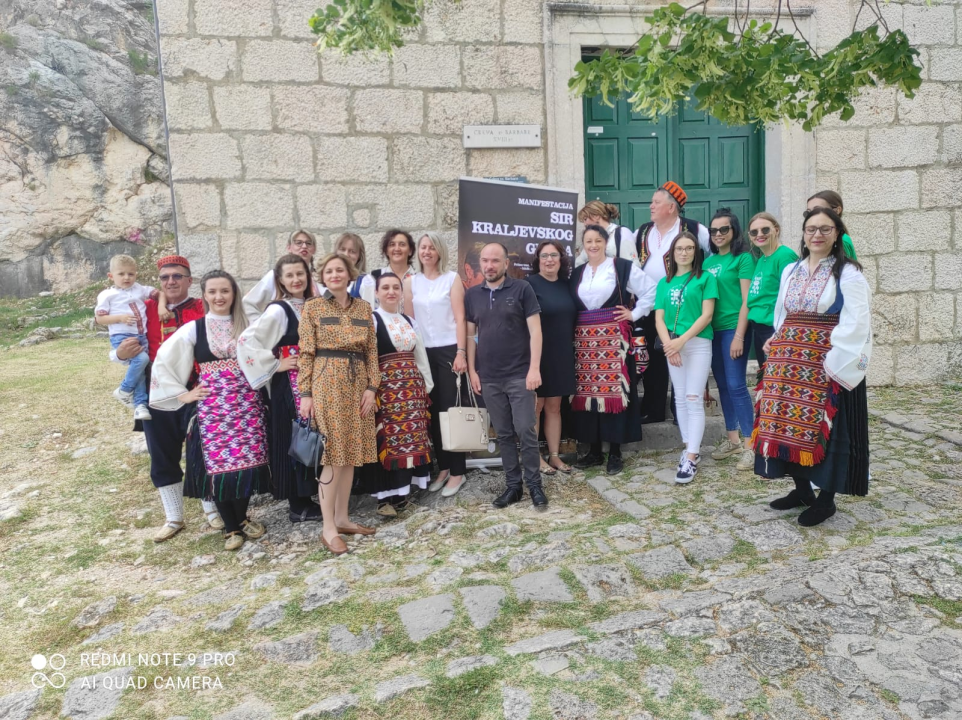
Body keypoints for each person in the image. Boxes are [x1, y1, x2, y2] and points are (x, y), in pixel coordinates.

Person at [754, 207, 872, 527]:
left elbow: (857, 320)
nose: (817, 235)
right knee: (785, 425)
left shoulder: (848, 273)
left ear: (837, 234)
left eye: (825, 229)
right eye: (811, 229)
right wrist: (777, 338)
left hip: (824, 361)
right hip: (787, 361)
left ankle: (826, 501)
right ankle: (802, 490)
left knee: (826, 432)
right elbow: (783, 312)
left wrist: (834, 360)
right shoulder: (791, 269)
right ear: (804, 234)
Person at [149, 270, 269, 552]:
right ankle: (231, 527)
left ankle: (241, 517)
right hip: (214, 409)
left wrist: (277, 365)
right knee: (219, 468)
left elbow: (267, 352)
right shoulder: (195, 329)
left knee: (247, 462)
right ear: (204, 295)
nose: (219, 297)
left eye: (225, 291)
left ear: (234, 294)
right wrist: (183, 394)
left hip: (247, 405)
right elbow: (164, 360)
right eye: (212, 291)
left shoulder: (248, 325)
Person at [113, 255, 211, 542]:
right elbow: (119, 336)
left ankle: (213, 510)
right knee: (162, 452)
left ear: (189, 280)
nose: (171, 282)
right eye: (165, 277)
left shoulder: (202, 307)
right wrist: (118, 354)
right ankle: (174, 516)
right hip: (156, 390)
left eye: (177, 276)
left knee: (202, 450)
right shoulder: (144, 308)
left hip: (197, 387)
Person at [298, 253, 380, 555]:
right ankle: (328, 527)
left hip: (358, 385)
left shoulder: (363, 308)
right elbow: (306, 352)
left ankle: (343, 518)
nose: (334, 275)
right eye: (329, 271)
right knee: (332, 455)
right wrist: (305, 393)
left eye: (339, 270)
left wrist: (372, 387)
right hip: (327, 384)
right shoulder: (313, 307)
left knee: (351, 453)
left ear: (349, 274)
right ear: (323, 276)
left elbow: (371, 351)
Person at [237, 254, 323, 523]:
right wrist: (276, 365)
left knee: (315, 434)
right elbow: (247, 341)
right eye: (290, 275)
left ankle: (316, 494)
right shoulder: (278, 310)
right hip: (291, 384)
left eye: (300, 273)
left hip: (318, 379)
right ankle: (298, 504)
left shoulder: (315, 305)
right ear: (281, 281)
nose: (296, 279)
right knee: (297, 436)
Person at [465, 243, 547, 510]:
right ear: (480, 263)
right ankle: (514, 487)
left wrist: (534, 369)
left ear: (506, 264)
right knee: (503, 434)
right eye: (485, 261)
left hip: (520, 374)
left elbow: (536, 331)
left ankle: (535, 485)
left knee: (525, 430)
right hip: (489, 377)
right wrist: (472, 370)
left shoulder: (522, 289)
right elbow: (470, 335)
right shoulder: (472, 295)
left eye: (495, 261)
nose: (489, 266)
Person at [569, 226, 653, 475]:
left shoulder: (621, 267)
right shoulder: (577, 273)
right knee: (588, 394)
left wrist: (634, 313)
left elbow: (652, 290)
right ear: (583, 245)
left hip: (614, 340)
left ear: (606, 242)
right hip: (585, 342)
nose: (593, 245)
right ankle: (594, 450)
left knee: (615, 394)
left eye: (598, 240)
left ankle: (615, 452)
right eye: (588, 241)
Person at [354, 273, 435, 516]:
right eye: (385, 288)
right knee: (387, 440)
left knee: (410, 440)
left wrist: (426, 386)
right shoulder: (372, 320)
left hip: (412, 390)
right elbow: (366, 357)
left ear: (401, 292)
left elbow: (420, 354)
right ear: (376, 293)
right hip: (384, 390)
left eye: (395, 288)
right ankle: (384, 500)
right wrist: (369, 389)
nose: (391, 292)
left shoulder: (409, 321)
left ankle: (401, 497)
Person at [635, 182, 710, 424]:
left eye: (656, 202)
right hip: (650, 306)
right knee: (653, 359)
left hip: (685, 307)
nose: (651, 206)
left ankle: (682, 412)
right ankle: (654, 409)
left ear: (671, 207)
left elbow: (711, 258)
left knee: (683, 356)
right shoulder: (642, 231)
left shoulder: (696, 230)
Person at [404, 232, 471, 497]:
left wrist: (461, 353)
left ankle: (458, 471)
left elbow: (460, 318)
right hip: (422, 352)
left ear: (440, 251)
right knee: (432, 411)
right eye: (423, 247)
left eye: (432, 247)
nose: (427, 252)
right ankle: (443, 467)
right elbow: (409, 322)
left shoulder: (451, 279)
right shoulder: (411, 282)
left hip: (448, 351)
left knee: (450, 410)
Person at [654, 232, 717, 484]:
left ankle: (691, 457)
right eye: (679, 248)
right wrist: (670, 346)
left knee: (693, 397)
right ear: (672, 253)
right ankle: (689, 447)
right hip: (673, 345)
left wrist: (682, 341)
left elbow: (707, 315)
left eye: (689, 248)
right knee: (679, 397)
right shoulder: (664, 282)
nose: (684, 252)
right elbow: (659, 318)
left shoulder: (706, 278)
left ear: (695, 252)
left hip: (697, 343)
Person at [703, 209, 757, 472]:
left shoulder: (743, 258)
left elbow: (747, 300)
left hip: (734, 329)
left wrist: (739, 335)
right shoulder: (707, 262)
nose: (718, 234)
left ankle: (751, 445)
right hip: (712, 331)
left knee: (736, 385)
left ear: (734, 230)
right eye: (713, 230)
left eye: (724, 229)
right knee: (723, 386)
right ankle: (733, 440)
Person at [95, 254, 166, 421]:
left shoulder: (139, 289)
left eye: (131, 274)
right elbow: (100, 318)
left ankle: (140, 405)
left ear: (136, 274)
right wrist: (120, 318)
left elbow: (160, 294)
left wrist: (161, 307)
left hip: (141, 335)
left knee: (141, 369)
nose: (126, 277)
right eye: (121, 274)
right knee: (141, 360)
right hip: (122, 335)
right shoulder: (107, 295)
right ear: (111, 276)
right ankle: (124, 389)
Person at [527, 240, 576, 475]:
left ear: (561, 259)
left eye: (554, 255)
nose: (549, 260)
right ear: (538, 260)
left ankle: (554, 456)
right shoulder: (528, 285)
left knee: (555, 406)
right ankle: (535, 457)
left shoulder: (568, 285)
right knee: (536, 406)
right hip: (538, 354)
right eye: (544, 256)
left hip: (562, 352)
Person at [746, 212, 798, 367]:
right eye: (754, 232)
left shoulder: (785, 256)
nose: (759, 235)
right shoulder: (762, 258)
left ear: (776, 230)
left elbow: (792, 295)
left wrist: (780, 332)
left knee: (775, 375)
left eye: (765, 230)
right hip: (759, 326)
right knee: (765, 375)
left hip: (774, 328)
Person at [243, 229, 321, 322]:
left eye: (308, 243)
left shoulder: (318, 278)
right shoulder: (274, 275)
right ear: (289, 247)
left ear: (314, 249)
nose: (304, 246)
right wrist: (261, 324)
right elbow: (248, 302)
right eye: (298, 243)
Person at [358, 229, 417, 309]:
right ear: (386, 251)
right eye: (392, 244)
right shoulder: (374, 277)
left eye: (402, 244)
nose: (397, 248)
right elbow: (368, 309)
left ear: (410, 251)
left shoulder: (419, 278)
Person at [575, 200, 639, 267]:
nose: (585, 224)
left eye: (585, 219)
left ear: (596, 216)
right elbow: (579, 262)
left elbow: (633, 265)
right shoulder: (592, 237)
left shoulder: (622, 233)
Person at [806, 190, 857, 259]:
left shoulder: (842, 240)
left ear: (837, 210)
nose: (812, 216)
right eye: (808, 212)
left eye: (818, 210)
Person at [337, 232, 369, 298]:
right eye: (342, 249)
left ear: (359, 256)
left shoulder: (365, 281)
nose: (346, 254)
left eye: (352, 251)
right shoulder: (328, 278)